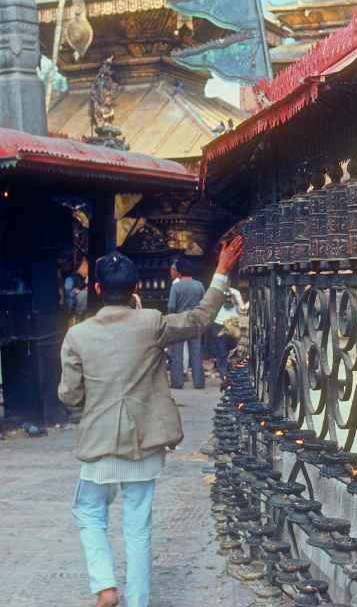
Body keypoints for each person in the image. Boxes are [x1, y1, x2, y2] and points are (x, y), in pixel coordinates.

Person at [58, 237, 242, 607]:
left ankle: (105, 585)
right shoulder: (152, 323)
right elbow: (199, 319)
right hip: (144, 443)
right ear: (135, 289)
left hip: (99, 443)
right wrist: (221, 271)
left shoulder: (77, 335)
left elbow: (70, 395)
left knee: (88, 509)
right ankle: (138, 601)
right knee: (138, 524)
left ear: (97, 289)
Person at [167, 257, 205, 389]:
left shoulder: (176, 286)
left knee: (177, 353)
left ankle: (177, 382)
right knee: (196, 352)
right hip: (195, 321)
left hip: (179, 322)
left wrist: (172, 316)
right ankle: (199, 382)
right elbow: (203, 304)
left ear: (179, 272)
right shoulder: (199, 285)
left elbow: (171, 306)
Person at [211, 283, 244, 379]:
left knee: (232, 351)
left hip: (231, 324)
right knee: (222, 351)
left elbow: (242, 308)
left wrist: (235, 301)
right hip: (220, 323)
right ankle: (224, 374)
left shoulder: (235, 293)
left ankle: (229, 372)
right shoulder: (217, 292)